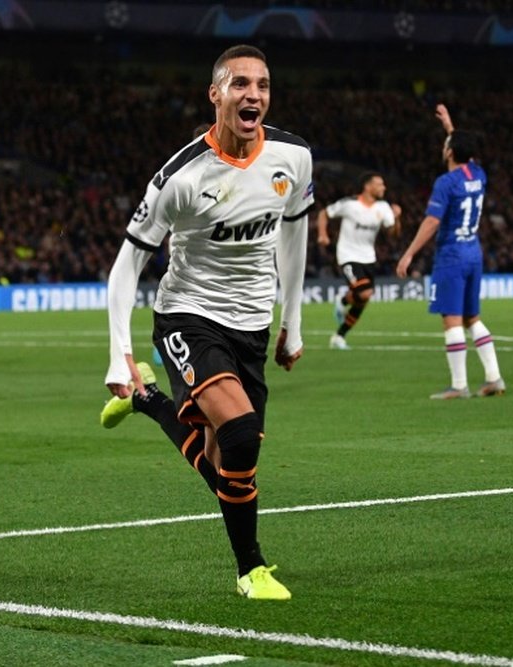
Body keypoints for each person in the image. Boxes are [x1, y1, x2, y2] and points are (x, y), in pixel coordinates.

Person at [99, 45, 312, 600]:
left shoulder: (294, 157)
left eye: (262, 85)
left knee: (228, 465)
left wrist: (292, 321)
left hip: (252, 326)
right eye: (239, 84)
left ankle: (148, 403)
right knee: (240, 434)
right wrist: (116, 352)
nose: (253, 95)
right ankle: (252, 568)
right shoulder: (180, 176)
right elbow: (127, 266)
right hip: (188, 316)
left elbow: (294, 236)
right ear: (215, 93)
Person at [396, 104, 505, 399]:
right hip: (473, 252)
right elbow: (463, 148)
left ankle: (459, 385)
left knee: (452, 320)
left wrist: (409, 253)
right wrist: (450, 127)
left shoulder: (445, 183)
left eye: (446, 144)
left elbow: (432, 221)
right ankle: (494, 378)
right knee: (473, 317)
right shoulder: (478, 174)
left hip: (451, 256)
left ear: (448, 152)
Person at [317, 172, 401, 350]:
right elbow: (324, 213)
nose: (383, 188)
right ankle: (343, 301)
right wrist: (323, 234)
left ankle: (339, 336)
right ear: (367, 186)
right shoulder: (349, 204)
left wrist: (397, 217)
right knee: (364, 293)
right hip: (348, 256)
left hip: (369, 258)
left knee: (363, 300)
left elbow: (393, 233)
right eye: (379, 184)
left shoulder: (383, 207)